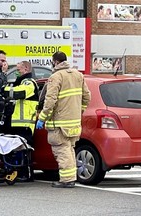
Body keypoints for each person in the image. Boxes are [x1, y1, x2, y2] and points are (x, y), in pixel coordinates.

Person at [36, 51, 91, 188]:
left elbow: (50, 100)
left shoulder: (56, 77)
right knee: (69, 149)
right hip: (74, 122)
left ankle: (66, 180)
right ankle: (70, 177)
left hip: (59, 122)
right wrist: (80, 111)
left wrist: (42, 117)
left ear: (55, 62)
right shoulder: (78, 75)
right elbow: (87, 97)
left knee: (62, 150)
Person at [3, 61, 39, 181]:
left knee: (24, 149)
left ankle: (26, 174)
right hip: (19, 123)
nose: (17, 73)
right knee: (18, 149)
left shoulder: (29, 82)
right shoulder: (22, 82)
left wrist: (4, 89)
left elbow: (19, 93)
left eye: (19, 70)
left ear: (26, 69)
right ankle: (20, 173)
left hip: (25, 123)